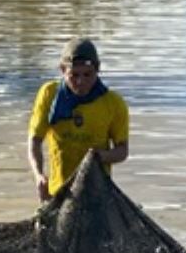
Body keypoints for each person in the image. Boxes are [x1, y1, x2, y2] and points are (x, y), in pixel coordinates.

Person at [27, 38, 130, 203]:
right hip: (58, 191)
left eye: (87, 75)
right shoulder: (49, 95)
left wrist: (100, 156)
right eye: (74, 75)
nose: (81, 82)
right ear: (62, 70)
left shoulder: (113, 103)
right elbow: (35, 141)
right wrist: (39, 176)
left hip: (97, 193)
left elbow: (122, 151)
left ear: (97, 70)